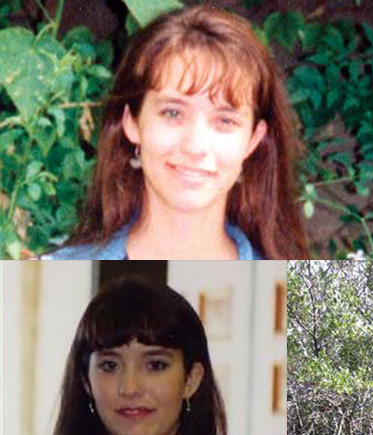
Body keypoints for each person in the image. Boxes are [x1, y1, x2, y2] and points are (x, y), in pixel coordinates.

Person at [42, 6, 308, 259]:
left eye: (225, 121)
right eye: (173, 113)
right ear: (132, 123)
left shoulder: (315, 299)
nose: (194, 146)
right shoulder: (49, 283)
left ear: (253, 139)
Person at [12, 278, 285, 435]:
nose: (130, 387)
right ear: (86, 381)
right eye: (110, 366)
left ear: (191, 379)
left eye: (155, 365)